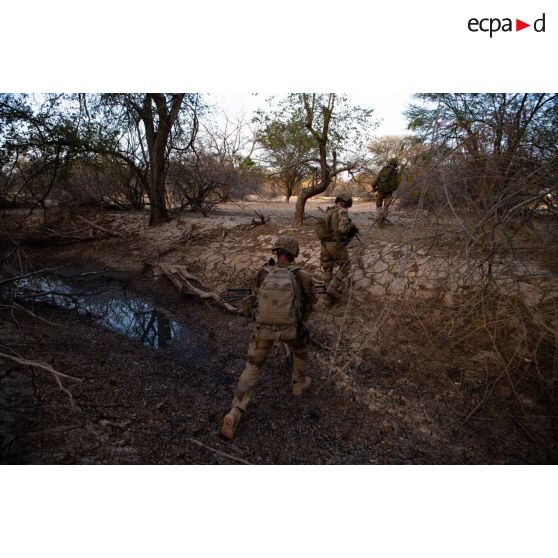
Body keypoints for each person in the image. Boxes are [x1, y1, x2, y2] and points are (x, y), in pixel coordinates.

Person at [220, 235, 317, 440]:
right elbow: (311, 303)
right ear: (294, 253)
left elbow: (254, 298)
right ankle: (298, 384)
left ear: (276, 252)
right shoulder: (302, 275)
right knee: (301, 348)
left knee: (252, 367)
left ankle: (235, 411)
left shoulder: (263, 273)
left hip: (263, 330)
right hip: (291, 330)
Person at [318, 192, 358, 304]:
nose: (347, 209)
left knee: (327, 268)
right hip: (336, 245)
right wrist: (351, 227)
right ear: (344, 203)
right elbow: (342, 230)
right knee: (346, 266)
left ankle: (327, 297)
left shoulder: (328, 210)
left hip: (324, 245)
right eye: (347, 206)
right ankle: (333, 287)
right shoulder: (342, 212)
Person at [372, 158, 400, 225]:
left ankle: (379, 218)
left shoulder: (383, 169)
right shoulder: (395, 172)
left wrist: (374, 187)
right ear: (395, 164)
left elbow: (376, 180)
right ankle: (382, 221)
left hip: (380, 191)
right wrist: (394, 189)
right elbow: (396, 183)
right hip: (389, 192)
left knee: (378, 206)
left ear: (390, 163)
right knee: (386, 207)